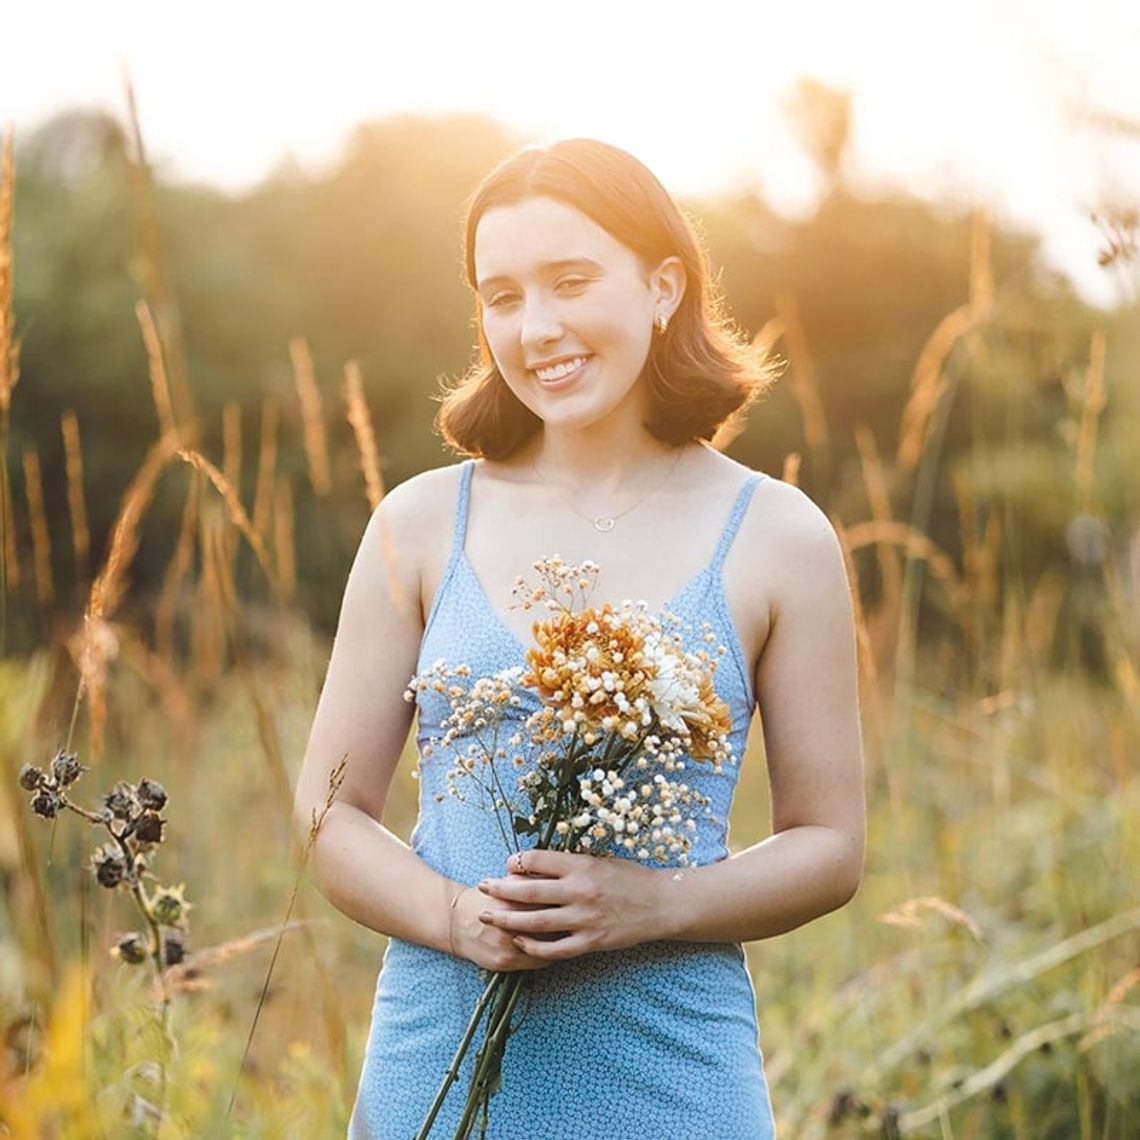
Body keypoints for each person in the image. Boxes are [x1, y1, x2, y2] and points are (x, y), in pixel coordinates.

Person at [292, 137, 866, 1139]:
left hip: (675, 1081)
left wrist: (657, 906)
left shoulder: (778, 536)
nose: (537, 327)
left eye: (569, 282)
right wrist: (453, 920)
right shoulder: (421, 524)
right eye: (501, 296)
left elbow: (831, 846)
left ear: (662, 286)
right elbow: (328, 813)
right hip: (436, 1068)